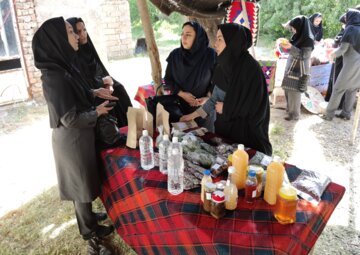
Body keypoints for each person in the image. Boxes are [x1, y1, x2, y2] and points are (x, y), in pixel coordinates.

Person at [32, 17, 116, 250]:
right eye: (71, 32)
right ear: (58, 39)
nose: (77, 36)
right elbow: (69, 118)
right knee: (81, 187)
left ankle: (88, 216)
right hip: (72, 139)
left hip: (79, 137)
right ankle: (90, 233)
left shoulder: (63, 66)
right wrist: (97, 112)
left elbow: (76, 93)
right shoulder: (53, 76)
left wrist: (94, 91)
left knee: (85, 183)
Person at [181, 23, 272, 155]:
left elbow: (257, 108)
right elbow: (213, 100)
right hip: (226, 134)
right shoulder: (222, 66)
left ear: (232, 42)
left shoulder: (251, 70)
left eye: (219, 39)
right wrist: (191, 116)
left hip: (248, 138)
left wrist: (227, 108)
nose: (215, 44)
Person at [67, 17, 132, 128]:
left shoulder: (88, 50)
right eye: (78, 31)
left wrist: (108, 83)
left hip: (101, 85)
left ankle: (129, 127)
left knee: (119, 89)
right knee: (107, 100)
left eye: (84, 30)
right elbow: (83, 83)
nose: (83, 34)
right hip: (91, 94)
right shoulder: (74, 58)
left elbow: (100, 72)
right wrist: (102, 82)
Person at [164, 21, 216, 131]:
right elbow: (168, 80)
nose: (184, 38)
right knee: (181, 143)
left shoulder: (210, 55)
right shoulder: (175, 55)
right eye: (182, 34)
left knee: (205, 142)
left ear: (198, 37)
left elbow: (217, 81)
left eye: (188, 35)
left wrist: (207, 98)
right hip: (178, 109)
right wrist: (182, 94)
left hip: (203, 110)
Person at [322, 9, 360, 121]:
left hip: (351, 65)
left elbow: (343, 49)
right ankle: (346, 114)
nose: (346, 19)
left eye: (347, 17)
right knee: (352, 89)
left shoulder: (350, 29)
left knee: (338, 89)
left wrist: (331, 54)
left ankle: (329, 114)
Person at [281, 16, 314, 121]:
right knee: (287, 88)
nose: (293, 30)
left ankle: (294, 115)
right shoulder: (298, 36)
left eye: (293, 28)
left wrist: (290, 47)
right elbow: (293, 49)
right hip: (292, 66)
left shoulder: (308, 39)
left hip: (299, 69)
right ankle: (289, 109)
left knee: (294, 91)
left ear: (300, 27)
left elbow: (304, 55)